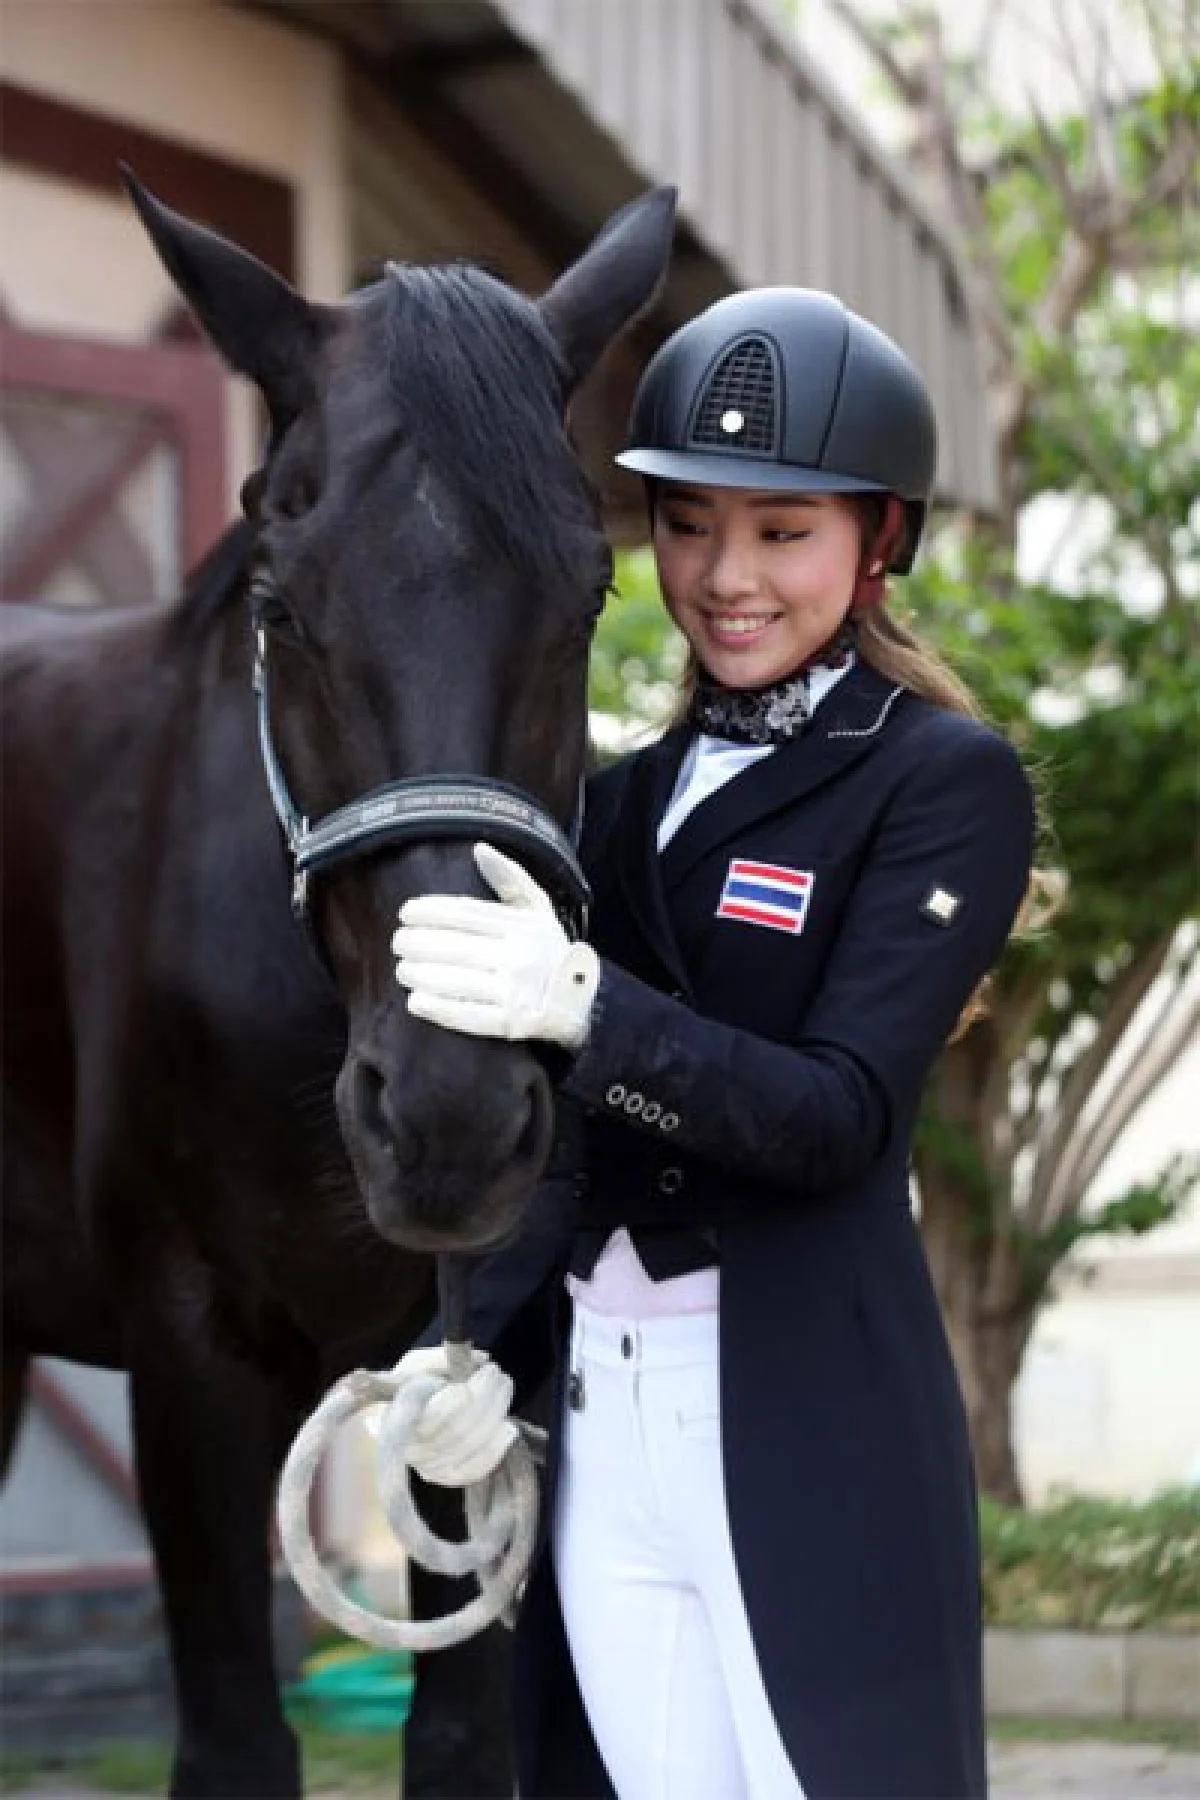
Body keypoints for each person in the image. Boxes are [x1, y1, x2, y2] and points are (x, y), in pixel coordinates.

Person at [389, 287, 1039, 1799]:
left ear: (880, 542)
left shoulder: (940, 783)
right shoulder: (614, 805)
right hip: (609, 1428)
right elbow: (569, 1146)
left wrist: (585, 1006)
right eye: (687, 526)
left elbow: (838, 1119)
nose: (726, 578)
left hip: (804, 1416)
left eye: (781, 531)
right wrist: (470, 1346)